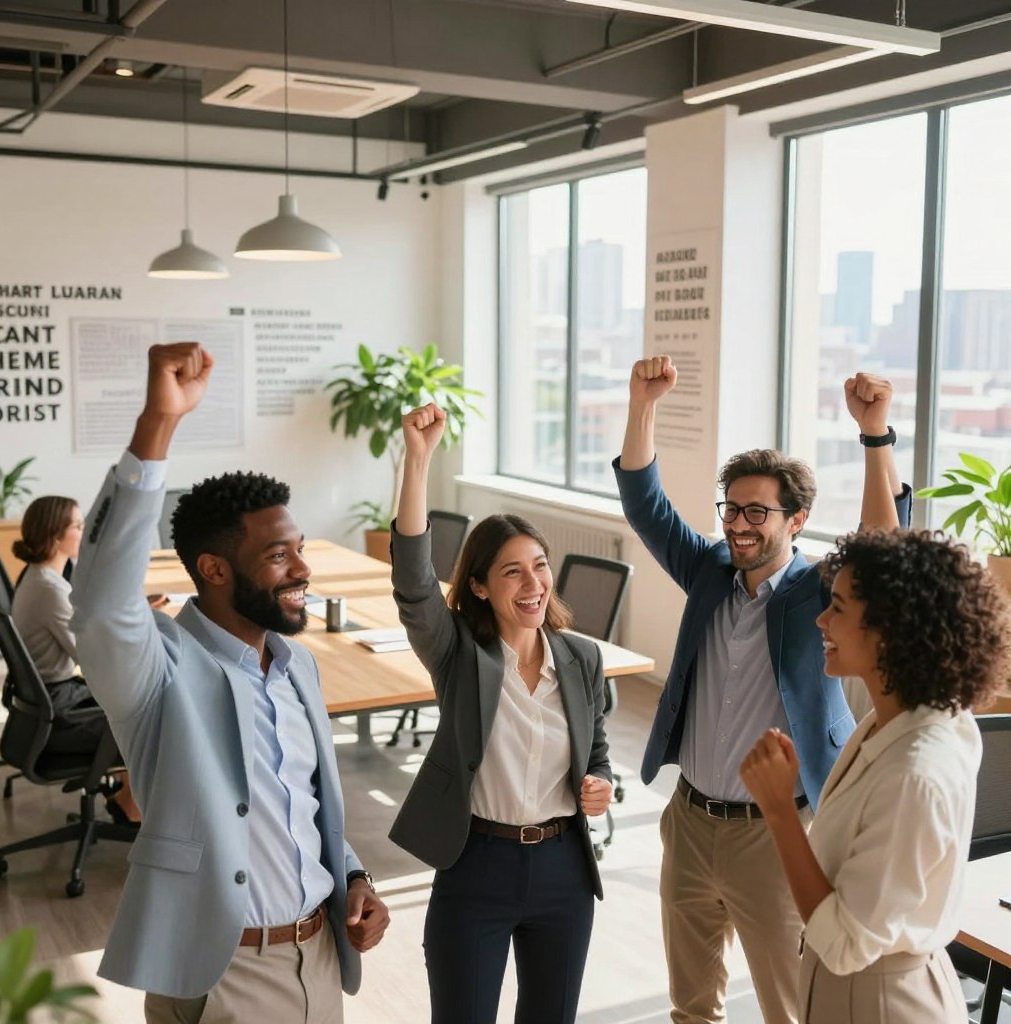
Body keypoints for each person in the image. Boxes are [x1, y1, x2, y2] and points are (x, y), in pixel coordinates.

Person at [70, 343, 390, 1024]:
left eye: (299, 546)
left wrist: (356, 876)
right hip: (227, 975)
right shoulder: (160, 673)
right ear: (214, 570)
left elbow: (301, 803)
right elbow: (99, 606)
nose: (302, 568)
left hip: (322, 954)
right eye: (279, 555)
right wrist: (156, 426)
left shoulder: (296, 665)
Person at [614, 357, 911, 1024]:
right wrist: (643, 405)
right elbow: (643, 503)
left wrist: (874, 436)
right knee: (691, 1006)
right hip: (689, 822)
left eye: (757, 512)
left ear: (798, 520)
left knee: (789, 1005)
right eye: (731, 509)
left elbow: (882, 551)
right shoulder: (711, 571)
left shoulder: (822, 591)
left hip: (777, 836)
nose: (738, 525)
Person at [388, 402, 614, 1024]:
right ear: (481, 586)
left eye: (540, 566)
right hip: (476, 865)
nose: (533, 583)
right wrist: (418, 461)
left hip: (564, 868)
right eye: (512, 572)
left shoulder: (581, 658)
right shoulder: (459, 651)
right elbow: (412, 583)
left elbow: (595, 752)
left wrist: (600, 785)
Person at [741, 528, 1011, 1023]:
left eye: (839, 607)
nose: (821, 619)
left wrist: (779, 810)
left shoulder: (917, 771)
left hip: (880, 1002)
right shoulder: (897, 718)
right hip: (858, 989)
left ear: (893, 630)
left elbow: (845, 944)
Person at [11, 495, 140, 825]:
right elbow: (90, 657)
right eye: (79, 526)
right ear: (57, 535)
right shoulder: (48, 590)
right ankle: (129, 804)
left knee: (135, 700)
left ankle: (127, 794)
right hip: (58, 712)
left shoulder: (40, 577)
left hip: (48, 703)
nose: (85, 533)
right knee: (147, 716)